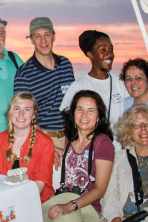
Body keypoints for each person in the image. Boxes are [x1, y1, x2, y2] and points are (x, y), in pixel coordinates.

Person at [14, 17, 75, 172]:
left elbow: (73, 102)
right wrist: (48, 146)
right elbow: (23, 116)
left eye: (47, 34)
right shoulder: (24, 74)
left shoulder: (66, 64)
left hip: (71, 137)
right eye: (37, 36)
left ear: (53, 36)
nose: (43, 40)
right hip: (43, 138)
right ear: (32, 40)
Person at [48, 90, 114, 219]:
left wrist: (69, 206)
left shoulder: (103, 143)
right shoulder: (71, 137)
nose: (84, 115)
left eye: (91, 110)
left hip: (89, 209)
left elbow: (100, 190)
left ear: (99, 116)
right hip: (64, 199)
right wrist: (49, 149)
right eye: (80, 109)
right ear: (73, 113)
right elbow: (73, 157)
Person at [60, 30, 128, 150]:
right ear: (90, 54)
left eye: (111, 49)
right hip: (93, 156)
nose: (109, 54)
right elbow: (69, 125)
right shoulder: (78, 87)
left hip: (120, 154)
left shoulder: (121, 83)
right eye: (102, 50)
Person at [0, 92, 55, 203]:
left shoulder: (45, 143)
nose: (21, 114)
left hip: (38, 201)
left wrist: (16, 204)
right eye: (17, 108)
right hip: (3, 201)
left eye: (27, 109)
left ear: (34, 114)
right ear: (10, 112)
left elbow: (39, 185)